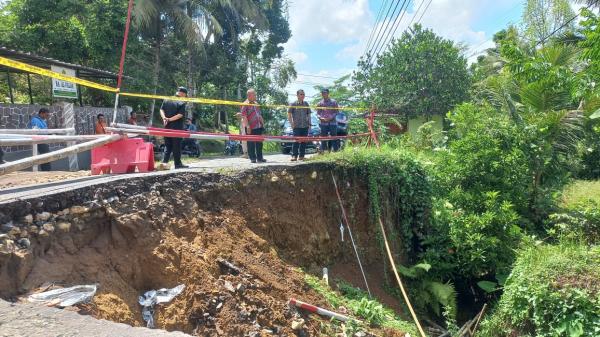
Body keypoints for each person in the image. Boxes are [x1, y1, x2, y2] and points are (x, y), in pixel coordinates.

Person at [159, 86, 189, 169]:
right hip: (177, 127)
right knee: (177, 146)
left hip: (167, 126)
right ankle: (178, 164)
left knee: (168, 145)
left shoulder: (167, 99)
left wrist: (164, 118)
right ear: (183, 94)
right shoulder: (181, 102)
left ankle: (164, 163)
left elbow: (161, 110)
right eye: (185, 95)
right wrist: (169, 119)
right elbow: (180, 115)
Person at [240, 88, 265, 163]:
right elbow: (244, 116)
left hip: (258, 126)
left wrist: (263, 124)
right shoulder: (245, 104)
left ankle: (260, 158)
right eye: (254, 94)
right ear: (249, 95)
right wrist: (247, 126)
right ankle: (253, 158)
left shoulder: (256, 103)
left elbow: (259, 115)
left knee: (259, 143)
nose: (255, 96)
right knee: (250, 143)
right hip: (250, 127)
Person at [287, 89, 311, 161]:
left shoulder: (306, 104)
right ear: (297, 95)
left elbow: (309, 115)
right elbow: (289, 115)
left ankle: (301, 156)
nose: (302, 96)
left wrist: (309, 124)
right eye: (301, 94)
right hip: (296, 126)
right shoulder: (293, 104)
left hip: (305, 126)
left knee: (303, 141)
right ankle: (294, 156)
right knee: (296, 141)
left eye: (303, 94)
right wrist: (291, 124)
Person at [317, 88, 339, 152]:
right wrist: (321, 118)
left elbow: (337, 111)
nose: (324, 94)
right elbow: (318, 113)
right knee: (323, 137)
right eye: (322, 93)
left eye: (325, 93)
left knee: (334, 137)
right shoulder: (319, 103)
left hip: (333, 123)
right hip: (323, 123)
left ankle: (336, 151)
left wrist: (331, 117)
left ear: (328, 93)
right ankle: (324, 151)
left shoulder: (334, 102)